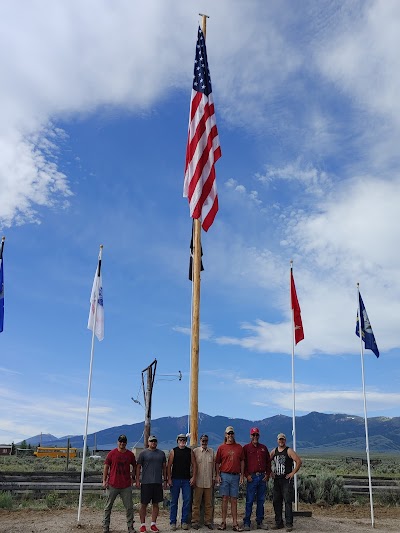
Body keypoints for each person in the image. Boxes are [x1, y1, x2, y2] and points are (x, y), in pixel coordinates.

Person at [103, 434, 136, 533]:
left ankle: (130, 527)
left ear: (126, 443)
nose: (122, 443)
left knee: (129, 507)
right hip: (113, 484)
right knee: (108, 507)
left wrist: (133, 477)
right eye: (120, 441)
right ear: (118, 442)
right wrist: (104, 480)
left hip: (125, 485)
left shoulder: (130, 454)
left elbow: (135, 465)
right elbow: (106, 466)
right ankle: (105, 526)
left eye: (124, 442)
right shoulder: (112, 453)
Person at [270, 433, 302, 532]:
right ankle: (279, 522)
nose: (281, 441)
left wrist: (293, 473)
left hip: (286, 479)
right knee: (276, 501)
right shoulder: (274, 451)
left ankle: (289, 524)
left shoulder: (289, 450)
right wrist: (270, 472)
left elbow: (298, 461)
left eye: (283, 439)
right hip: (277, 480)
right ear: (277, 440)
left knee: (287, 501)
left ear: (285, 440)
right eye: (280, 439)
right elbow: (267, 461)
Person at [215, 426, 244, 532]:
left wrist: (242, 475)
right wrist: (218, 475)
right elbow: (217, 462)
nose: (230, 435)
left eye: (232, 433)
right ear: (225, 435)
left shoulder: (239, 447)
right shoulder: (221, 448)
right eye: (228, 433)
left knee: (234, 500)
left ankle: (235, 523)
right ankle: (223, 522)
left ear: (233, 434)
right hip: (224, 475)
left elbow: (242, 461)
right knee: (224, 499)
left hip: (235, 475)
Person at [136, 435, 167, 533]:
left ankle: (153, 524)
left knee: (156, 504)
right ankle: (142, 525)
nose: (153, 442)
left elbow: (164, 468)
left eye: (155, 441)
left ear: (157, 442)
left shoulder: (161, 454)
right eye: (151, 441)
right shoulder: (143, 453)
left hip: (157, 482)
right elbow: (138, 467)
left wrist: (165, 480)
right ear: (148, 442)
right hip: (146, 482)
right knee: (143, 504)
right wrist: (137, 480)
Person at [243, 427, 271, 531]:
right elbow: (243, 463)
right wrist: (247, 475)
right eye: (253, 435)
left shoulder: (263, 448)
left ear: (259, 436)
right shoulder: (246, 448)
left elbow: (268, 461)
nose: (255, 437)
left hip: (262, 477)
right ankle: (247, 522)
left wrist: (267, 474)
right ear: (250, 436)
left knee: (261, 501)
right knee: (249, 500)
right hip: (252, 477)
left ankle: (260, 521)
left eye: (257, 435)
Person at [167, 433, 197, 531]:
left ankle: (184, 521)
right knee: (174, 501)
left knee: (187, 501)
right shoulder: (173, 451)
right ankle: (173, 522)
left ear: (186, 441)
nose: (182, 442)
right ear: (177, 441)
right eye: (180, 440)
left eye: (184, 440)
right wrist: (169, 478)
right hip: (175, 479)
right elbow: (169, 466)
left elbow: (194, 464)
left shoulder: (190, 451)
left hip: (186, 480)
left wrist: (194, 477)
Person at [192, 434, 215, 530]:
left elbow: (214, 467)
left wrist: (214, 478)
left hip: (209, 482)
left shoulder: (212, 452)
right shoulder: (195, 451)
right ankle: (195, 522)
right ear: (200, 441)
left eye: (206, 440)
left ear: (208, 441)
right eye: (203, 440)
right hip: (198, 482)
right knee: (196, 503)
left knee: (208, 504)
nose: (204, 442)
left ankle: (208, 521)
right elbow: (192, 466)